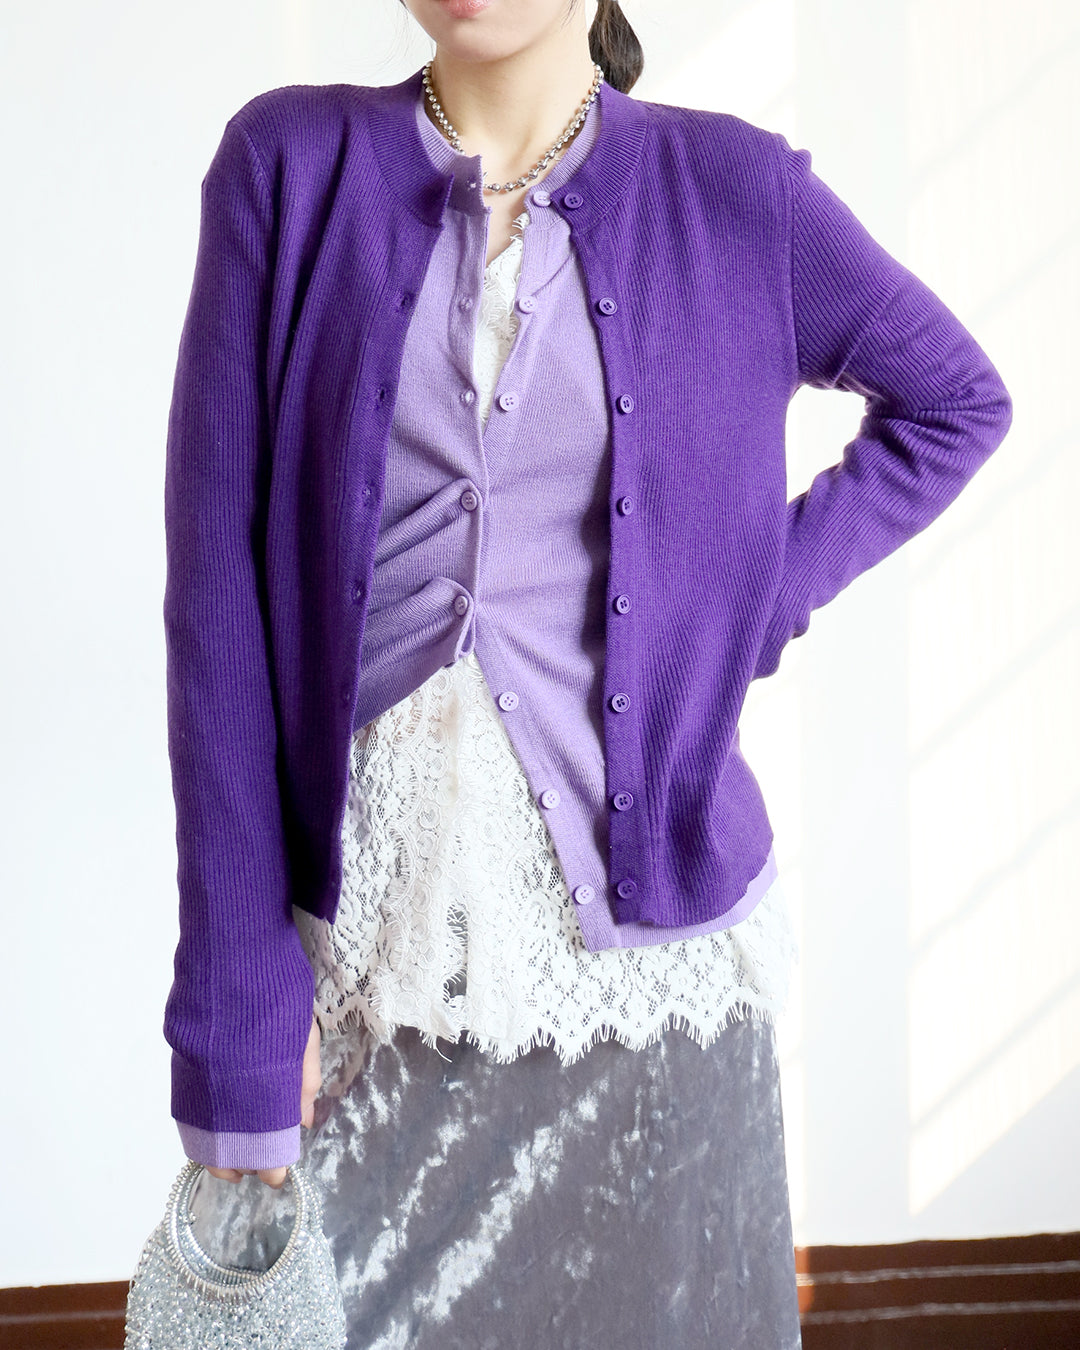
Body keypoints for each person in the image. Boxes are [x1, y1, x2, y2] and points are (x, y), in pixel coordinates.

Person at [160, 0, 1012, 1344]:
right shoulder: (287, 167)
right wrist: (238, 1024)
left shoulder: (732, 192)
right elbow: (219, 618)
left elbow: (955, 401)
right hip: (377, 986)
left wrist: (743, 607)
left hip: (656, 1006)